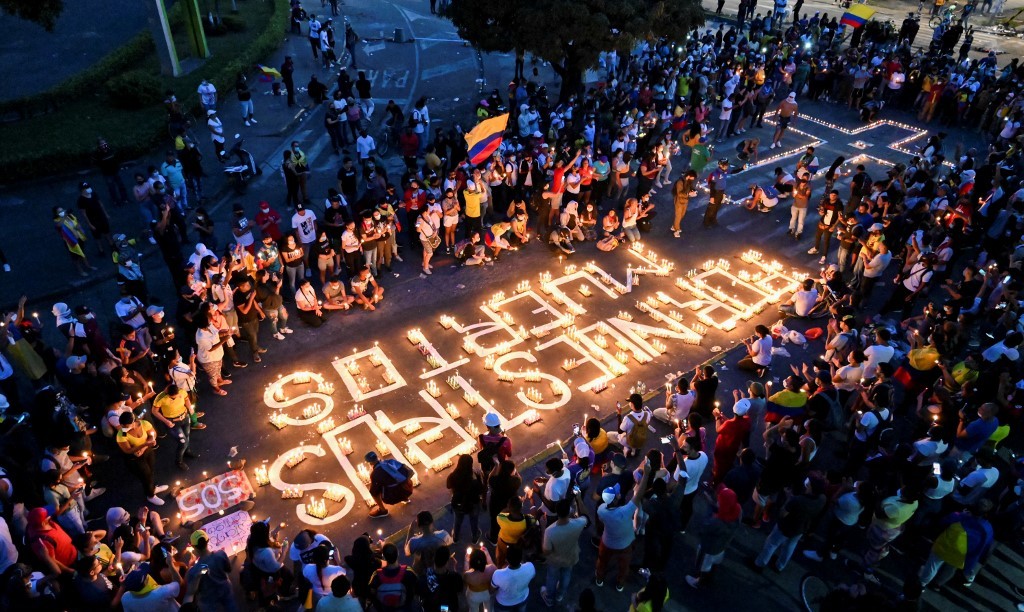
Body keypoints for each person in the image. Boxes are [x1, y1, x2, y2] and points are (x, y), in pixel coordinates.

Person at [595, 456, 651, 591]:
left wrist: (605, 477)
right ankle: (620, 584)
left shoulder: (602, 510)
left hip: (607, 542)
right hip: (625, 544)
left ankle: (599, 578)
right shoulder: (626, 511)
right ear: (618, 497)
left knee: (602, 560)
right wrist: (647, 474)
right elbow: (638, 495)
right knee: (624, 566)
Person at [685, 486, 742, 587]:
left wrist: (709, 508)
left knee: (703, 566)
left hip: (709, 548)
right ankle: (710, 575)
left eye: (720, 501)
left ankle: (698, 582)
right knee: (714, 563)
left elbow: (705, 526)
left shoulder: (717, 522)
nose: (718, 502)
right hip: (722, 546)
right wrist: (712, 504)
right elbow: (724, 510)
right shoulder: (737, 511)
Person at [542, 498, 589, 606]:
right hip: (571, 556)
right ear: (569, 511)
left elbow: (546, 551)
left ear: (557, 512)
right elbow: (586, 516)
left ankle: (549, 598)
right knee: (566, 574)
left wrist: (543, 527)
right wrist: (579, 498)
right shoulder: (578, 523)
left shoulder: (550, 531)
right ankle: (560, 595)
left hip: (555, 560)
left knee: (552, 577)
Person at [115, 411, 168, 505]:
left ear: (133, 422)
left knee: (151, 470)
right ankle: (150, 495)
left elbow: (153, 434)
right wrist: (146, 444)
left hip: (147, 452)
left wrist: (150, 441)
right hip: (135, 459)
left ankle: (153, 488)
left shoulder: (144, 424)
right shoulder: (122, 433)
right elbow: (127, 450)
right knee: (145, 476)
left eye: (126, 426)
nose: (123, 428)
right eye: (122, 425)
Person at [184, 528, 237, 612]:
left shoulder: (194, 571)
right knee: (231, 607)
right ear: (208, 540)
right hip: (225, 589)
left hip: (209, 599)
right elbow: (228, 569)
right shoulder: (220, 554)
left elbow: (192, 591)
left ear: (193, 546)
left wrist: (190, 566)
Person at [368, 543, 418, 611]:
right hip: (405, 608)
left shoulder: (376, 575)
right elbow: (417, 588)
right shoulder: (408, 572)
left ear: (384, 557)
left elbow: (372, 594)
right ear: (398, 554)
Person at [447, 454, 485, 543]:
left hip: (458, 503)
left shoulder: (453, 476)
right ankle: (475, 537)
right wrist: (479, 477)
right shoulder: (474, 481)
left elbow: (448, 486)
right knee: (474, 521)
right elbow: (481, 490)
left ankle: (455, 537)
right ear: (470, 465)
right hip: (473, 504)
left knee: (457, 521)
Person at [404, 511, 454, 576]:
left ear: (419, 526)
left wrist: (410, 530)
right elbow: (450, 542)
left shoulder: (413, 542)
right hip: (439, 570)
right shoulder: (443, 535)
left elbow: (407, 552)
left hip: (421, 573)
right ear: (432, 522)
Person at [366, 451, 414, 518]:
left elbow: (374, 492)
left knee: (374, 492)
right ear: (377, 457)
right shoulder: (391, 461)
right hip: (408, 490)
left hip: (392, 498)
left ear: (369, 463)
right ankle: (405, 498)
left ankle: (383, 511)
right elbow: (407, 472)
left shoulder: (375, 474)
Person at [490, 544, 535, 611]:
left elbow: (491, 590)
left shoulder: (498, 574)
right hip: (523, 599)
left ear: (506, 560)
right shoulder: (530, 567)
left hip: (504, 604)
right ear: (521, 558)